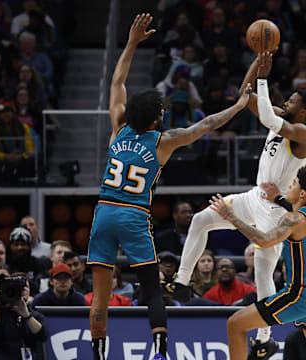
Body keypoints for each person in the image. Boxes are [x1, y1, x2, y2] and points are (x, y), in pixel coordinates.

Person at [86, 13, 251, 360]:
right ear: (157, 117)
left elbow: (117, 81)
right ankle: (160, 351)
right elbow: (206, 124)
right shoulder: (164, 142)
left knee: (99, 296)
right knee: (151, 288)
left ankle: (98, 353)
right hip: (132, 214)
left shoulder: (118, 126)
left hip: (103, 211)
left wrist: (131, 42)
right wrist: (237, 106)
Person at [165, 51, 306, 358]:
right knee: (202, 219)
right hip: (254, 195)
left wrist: (266, 78)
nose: (289, 102)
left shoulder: (302, 133)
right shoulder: (281, 117)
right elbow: (245, 96)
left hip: (277, 208)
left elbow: (267, 115)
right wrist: (258, 61)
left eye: (294, 100)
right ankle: (183, 281)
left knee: (264, 268)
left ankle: (265, 339)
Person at [208, 165, 306, 360]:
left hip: (299, 294)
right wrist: (278, 198)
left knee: (235, 324)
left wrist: (231, 217)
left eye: (293, 183)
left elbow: (264, 240)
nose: (289, 185)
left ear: (302, 192)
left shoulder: (294, 219)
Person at [0, 273, 48, 360]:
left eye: (25, 286)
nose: (23, 290)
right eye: (19, 287)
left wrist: (26, 315)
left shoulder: (35, 315)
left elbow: (42, 335)